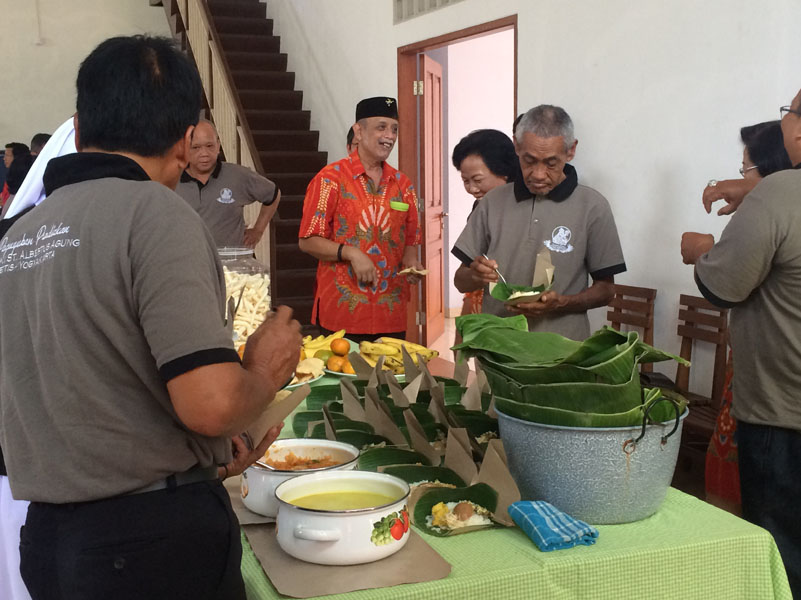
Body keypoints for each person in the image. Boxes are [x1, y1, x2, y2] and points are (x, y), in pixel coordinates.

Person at [0, 35, 301, 600]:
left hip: (47, 538)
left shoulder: (17, 234)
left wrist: (197, 464)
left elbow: (89, 393)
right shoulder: (155, 212)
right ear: (186, 141)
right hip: (148, 547)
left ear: (78, 129)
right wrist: (265, 371)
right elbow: (210, 405)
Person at [680, 90, 801, 598]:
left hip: (782, 414)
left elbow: (723, 285)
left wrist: (702, 250)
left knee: (780, 555)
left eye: (789, 112)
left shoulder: (781, 193)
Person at [452, 104, 626, 340]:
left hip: (563, 351)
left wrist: (562, 303)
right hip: (497, 348)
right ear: (516, 146)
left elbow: (606, 290)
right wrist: (475, 275)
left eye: (551, 163)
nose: (538, 174)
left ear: (571, 150)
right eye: (529, 160)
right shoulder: (492, 203)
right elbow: (460, 281)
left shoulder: (593, 207)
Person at [701, 121, 791, 515]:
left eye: (745, 169)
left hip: (774, 402)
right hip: (762, 391)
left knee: (762, 523)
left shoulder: (776, 210)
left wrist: (703, 251)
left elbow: (722, 286)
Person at [298, 96, 424, 343]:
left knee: (392, 370)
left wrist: (412, 263)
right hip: (342, 312)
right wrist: (351, 253)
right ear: (358, 131)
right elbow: (308, 240)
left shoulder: (403, 185)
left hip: (391, 313)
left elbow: (411, 239)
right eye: (381, 127)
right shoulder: (330, 179)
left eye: (394, 129)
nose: (389, 136)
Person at [175, 119, 280, 249]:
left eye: (209, 146)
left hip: (230, 260)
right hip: (187, 259)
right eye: (196, 147)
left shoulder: (238, 176)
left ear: (218, 145)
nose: (204, 154)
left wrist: (258, 231)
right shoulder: (171, 181)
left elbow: (273, 194)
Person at [451, 129, 518, 322]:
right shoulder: (480, 208)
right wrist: (475, 275)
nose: (472, 189)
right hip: (483, 312)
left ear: (504, 172)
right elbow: (461, 278)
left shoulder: (527, 208)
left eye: (478, 180)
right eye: (466, 181)